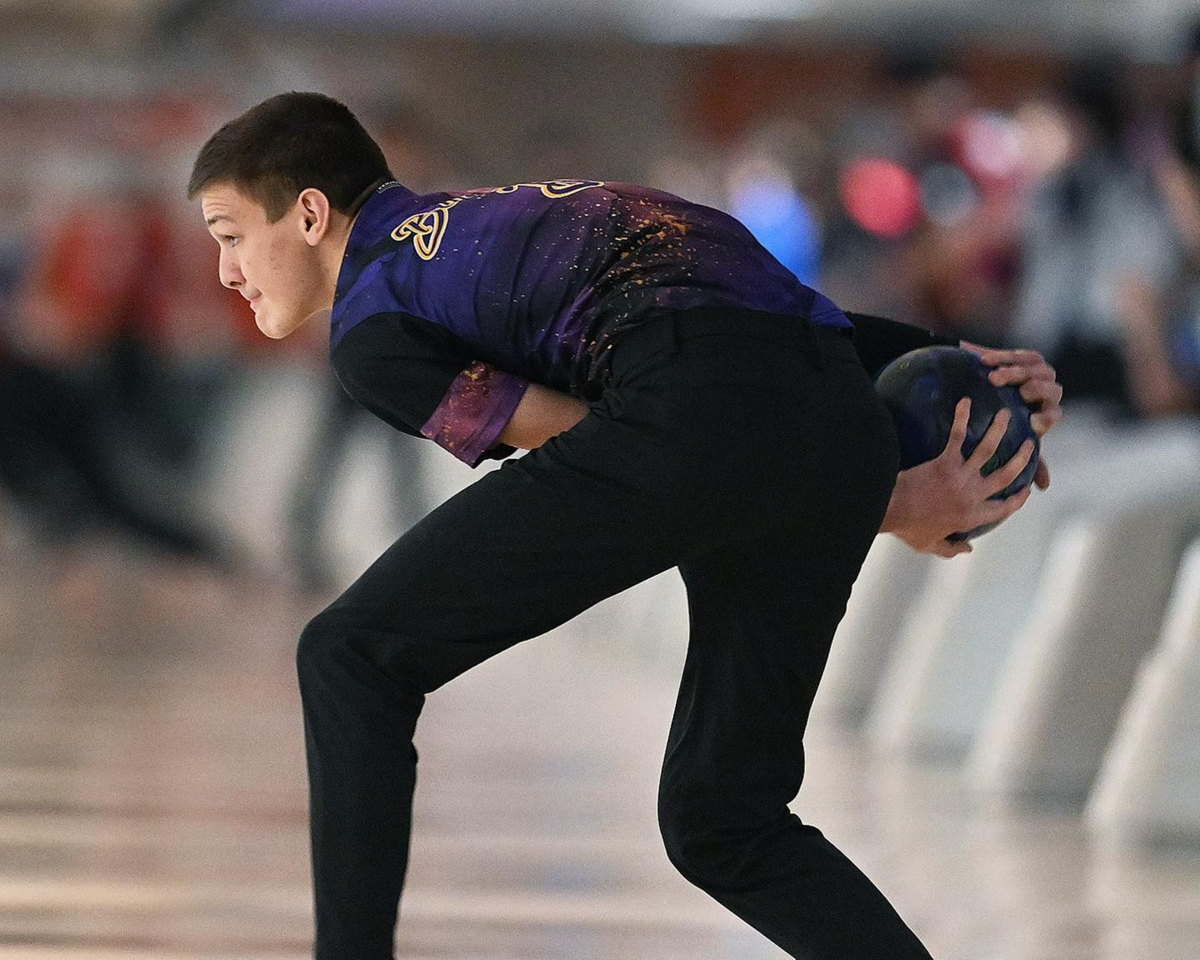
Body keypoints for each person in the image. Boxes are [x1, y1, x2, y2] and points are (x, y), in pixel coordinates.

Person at [188, 93, 1062, 960]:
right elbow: (790, 331)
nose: (226, 271)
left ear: (308, 214)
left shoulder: (372, 322)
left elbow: (610, 458)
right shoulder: (525, 209)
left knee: (349, 655)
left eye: (230, 236)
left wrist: (872, 499)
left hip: (698, 418)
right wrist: (951, 378)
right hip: (827, 396)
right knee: (723, 819)